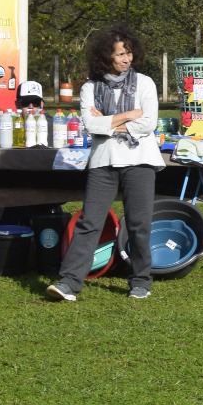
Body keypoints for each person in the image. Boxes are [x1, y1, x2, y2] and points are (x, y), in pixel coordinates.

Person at [47, 26, 162, 302]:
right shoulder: (90, 87)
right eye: (120, 54)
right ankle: (69, 282)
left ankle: (140, 280)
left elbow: (148, 123)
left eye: (129, 53)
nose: (126, 59)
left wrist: (108, 122)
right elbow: (91, 124)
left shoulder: (145, 83)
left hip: (140, 160)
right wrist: (128, 115)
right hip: (103, 161)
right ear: (106, 56)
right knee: (89, 222)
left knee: (139, 224)